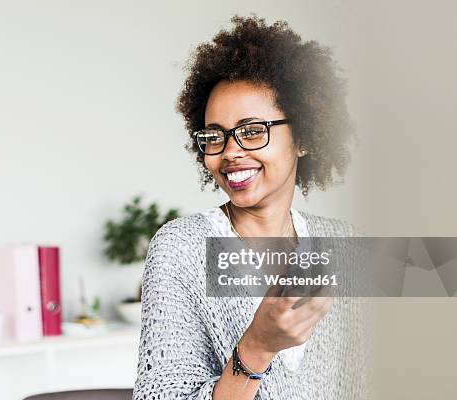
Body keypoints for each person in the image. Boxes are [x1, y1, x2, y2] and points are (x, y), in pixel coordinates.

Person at [133, 15, 368, 400]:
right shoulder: (181, 249)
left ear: (304, 137)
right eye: (214, 136)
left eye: (253, 130)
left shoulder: (340, 242)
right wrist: (257, 347)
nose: (229, 153)